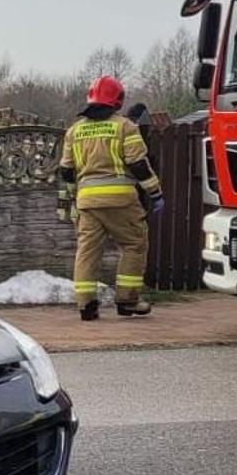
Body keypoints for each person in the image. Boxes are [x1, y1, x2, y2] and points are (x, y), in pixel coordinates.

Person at [59, 75, 164, 320]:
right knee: (134, 245)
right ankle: (127, 301)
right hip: (121, 201)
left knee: (86, 252)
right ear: (118, 101)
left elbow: (66, 171)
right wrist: (155, 192)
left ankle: (86, 306)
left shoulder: (74, 131)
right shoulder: (125, 127)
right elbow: (138, 164)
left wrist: (82, 189)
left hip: (87, 202)